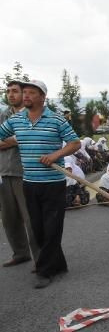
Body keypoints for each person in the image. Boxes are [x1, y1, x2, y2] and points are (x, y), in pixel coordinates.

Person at [0, 80, 81, 288]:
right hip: (29, 182)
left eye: (31, 93)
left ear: (42, 97)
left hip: (53, 183)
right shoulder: (16, 120)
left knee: (52, 227)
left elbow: (75, 143)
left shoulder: (56, 119)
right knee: (38, 228)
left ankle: (45, 271)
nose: (26, 96)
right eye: (24, 92)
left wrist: (56, 155)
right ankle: (60, 264)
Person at [0, 80, 39, 268]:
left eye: (15, 91)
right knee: (9, 218)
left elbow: (30, 139)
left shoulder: (31, 115)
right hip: (3, 172)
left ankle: (41, 259)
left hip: (25, 172)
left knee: (30, 218)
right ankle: (20, 253)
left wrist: (15, 139)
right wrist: (16, 140)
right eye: (8, 91)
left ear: (24, 95)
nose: (10, 94)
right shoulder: (4, 115)